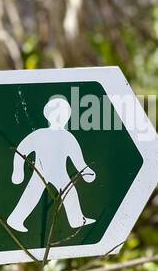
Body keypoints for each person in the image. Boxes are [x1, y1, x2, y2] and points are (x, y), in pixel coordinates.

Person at [7, 95, 96, 233]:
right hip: (40, 171)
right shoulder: (39, 134)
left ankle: (76, 219)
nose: (60, 117)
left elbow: (78, 160)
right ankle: (15, 219)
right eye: (57, 113)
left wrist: (86, 172)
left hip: (61, 174)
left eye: (64, 114)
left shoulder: (68, 137)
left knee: (70, 193)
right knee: (31, 194)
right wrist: (18, 172)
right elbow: (21, 151)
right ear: (48, 115)